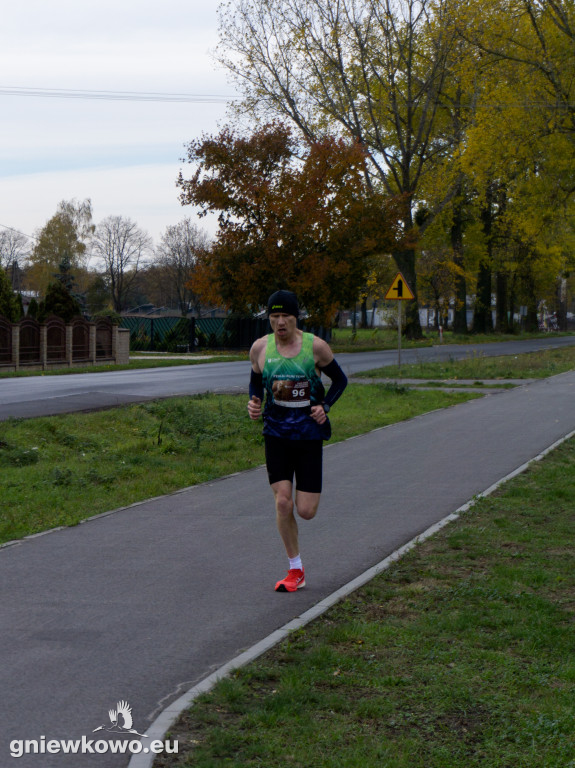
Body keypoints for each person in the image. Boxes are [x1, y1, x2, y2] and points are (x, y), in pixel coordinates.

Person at [247, 289, 348, 592]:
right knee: (282, 502)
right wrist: (253, 401)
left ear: (296, 318)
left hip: (307, 437)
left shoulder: (315, 347)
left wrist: (324, 405)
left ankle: (297, 563)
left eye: (285, 317)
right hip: (276, 434)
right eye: (274, 317)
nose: (279, 323)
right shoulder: (260, 348)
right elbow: (255, 379)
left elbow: (340, 380)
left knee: (305, 510)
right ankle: (295, 570)